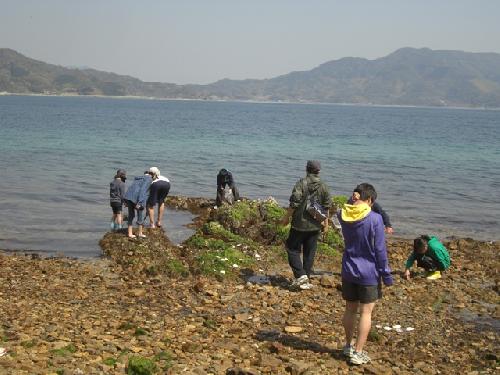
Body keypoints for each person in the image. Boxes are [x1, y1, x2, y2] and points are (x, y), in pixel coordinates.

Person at [337, 183, 393, 365]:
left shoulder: (343, 215)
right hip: (369, 272)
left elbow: (347, 205)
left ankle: (347, 345)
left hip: (349, 269)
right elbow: (380, 251)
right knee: (366, 312)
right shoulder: (375, 219)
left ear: (355, 197)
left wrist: (354, 198)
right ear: (369, 200)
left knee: (350, 309)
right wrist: (386, 275)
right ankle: (358, 351)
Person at [281, 160, 330, 290]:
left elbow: (294, 203)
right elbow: (326, 206)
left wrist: (286, 218)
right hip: (315, 225)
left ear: (306, 169)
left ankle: (300, 275)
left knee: (291, 249)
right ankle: (305, 279)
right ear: (319, 171)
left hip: (299, 224)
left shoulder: (301, 184)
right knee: (309, 253)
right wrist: (326, 224)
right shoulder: (324, 186)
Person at [124, 171, 152, 239]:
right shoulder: (149, 179)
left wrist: (125, 200)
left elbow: (130, 188)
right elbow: (143, 190)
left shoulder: (138, 179)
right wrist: (140, 202)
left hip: (128, 197)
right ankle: (140, 233)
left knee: (131, 215)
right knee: (140, 215)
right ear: (151, 175)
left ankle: (130, 233)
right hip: (137, 198)